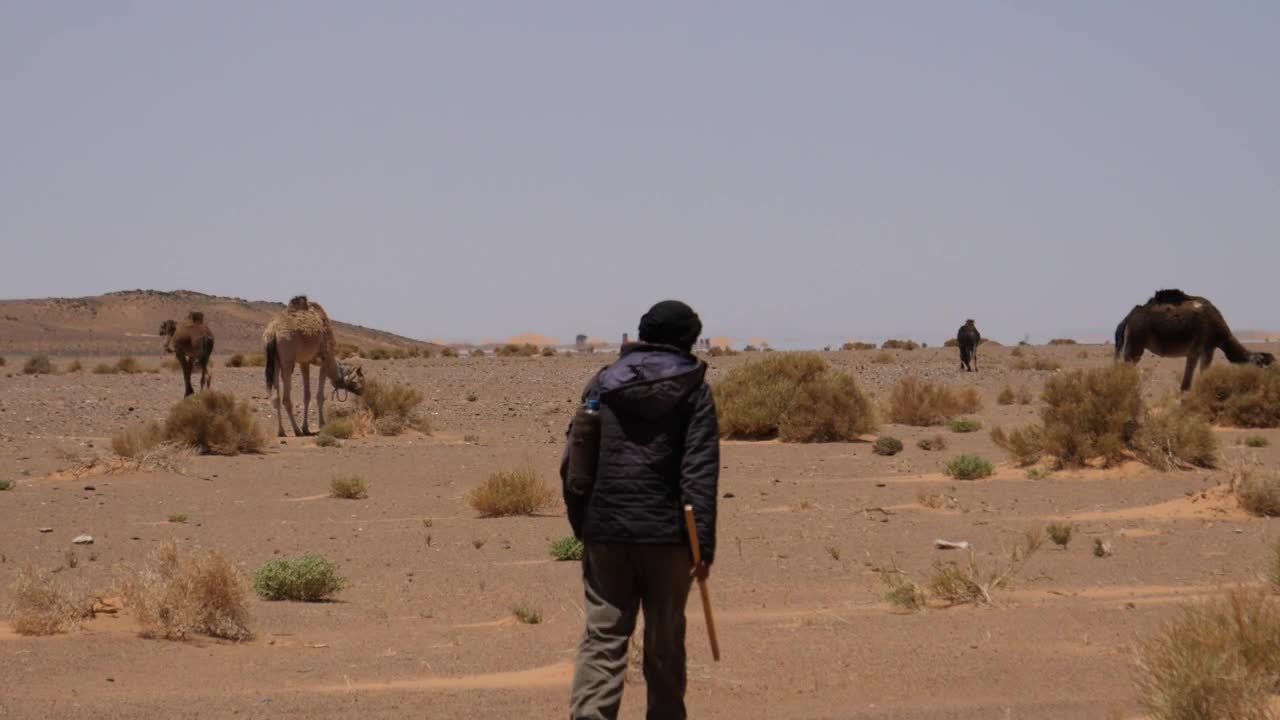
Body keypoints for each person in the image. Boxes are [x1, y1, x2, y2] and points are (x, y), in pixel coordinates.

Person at [562, 300, 719, 720]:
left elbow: (575, 461)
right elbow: (699, 473)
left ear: (643, 334)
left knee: (602, 640)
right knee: (665, 641)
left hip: (606, 529)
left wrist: (584, 525)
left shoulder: (601, 383)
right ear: (688, 340)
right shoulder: (695, 390)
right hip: (669, 536)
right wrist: (701, 547)